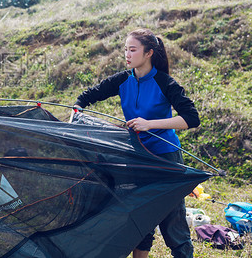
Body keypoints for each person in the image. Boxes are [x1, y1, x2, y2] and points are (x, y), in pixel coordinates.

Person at [73, 28, 199, 258]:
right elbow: (89, 95)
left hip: (165, 157)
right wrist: (77, 109)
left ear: (149, 52)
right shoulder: (123, 80)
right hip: (137, 157)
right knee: (140, 216)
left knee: (173, 222)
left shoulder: (164, 82)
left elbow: (191, 118)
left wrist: (150, 124)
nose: (127, 55)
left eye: (133, 50)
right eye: (125, 50)